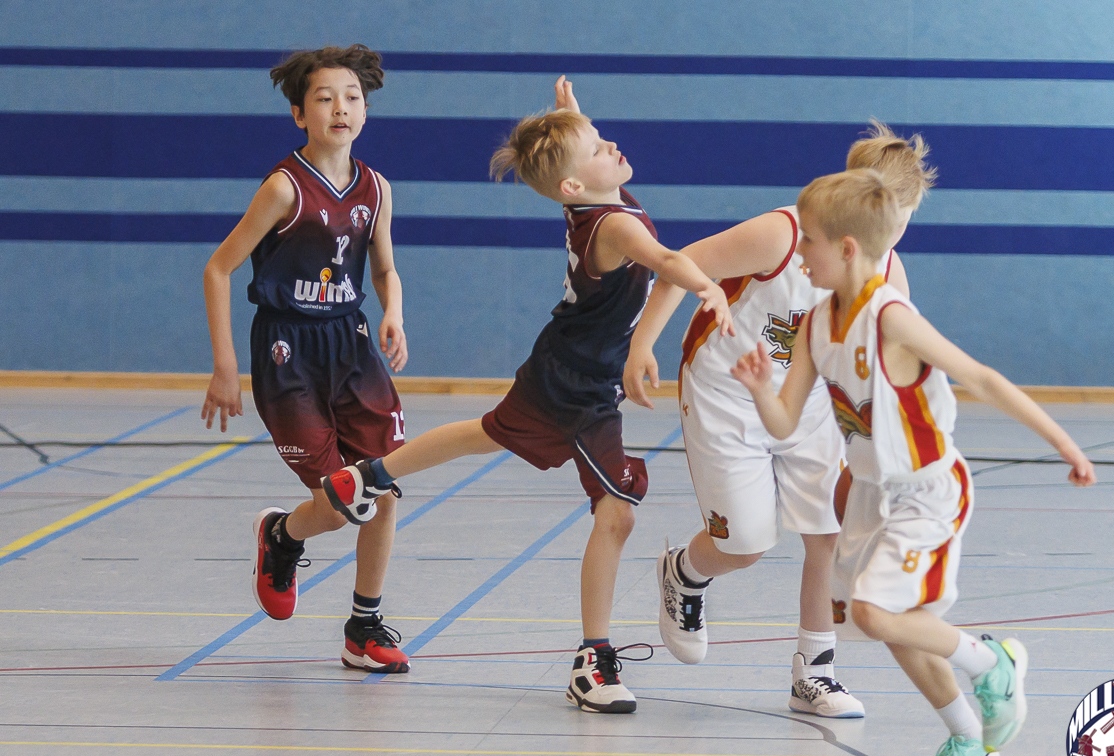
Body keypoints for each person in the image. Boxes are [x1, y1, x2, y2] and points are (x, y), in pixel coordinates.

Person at [320, 77, 736, 713]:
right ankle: (592, 662)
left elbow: (583, 174)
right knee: (618, 511)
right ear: (573, 185)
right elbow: (666, 258)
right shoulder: (614, 226)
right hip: (577, 387)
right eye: (597, 148)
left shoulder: (592, 202)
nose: (611, 146)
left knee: (485, 433)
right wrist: (707, 287)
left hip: (562, 365)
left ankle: (369, 476)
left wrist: (573, 120)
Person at [731, 169, 1096, 756]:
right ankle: (967, 738)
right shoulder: (814, 323)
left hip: (927, 491)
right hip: (870, 494)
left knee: (877, 613)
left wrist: (1064, 443)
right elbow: (785, 421)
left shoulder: (891, 318)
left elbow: (981, 378)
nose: (799, 250)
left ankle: (992, 661)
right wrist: (763, 388)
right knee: (899, 627)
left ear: (847, 247)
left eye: (809, 239)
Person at [622, 123, 933, 718]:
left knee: (828, 534)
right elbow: (683, 265)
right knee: (744, 545)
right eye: (896, 217)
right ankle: (684, 571)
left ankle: (814, 674)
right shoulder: (782, 235)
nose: (898, 233)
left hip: (809, 401)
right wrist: (642, 345)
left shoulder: (888, 273)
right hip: (727, 390)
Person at [200, 45, 412, 674]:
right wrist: (225, 365)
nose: (340, 108)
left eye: (352, 97)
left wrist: (394, 312)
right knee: (344, 504)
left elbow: (384, 268)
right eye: (324, 98)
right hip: (287, 351)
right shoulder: (282, 188)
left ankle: (363, 627)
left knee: (383, 488)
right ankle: (282, 535)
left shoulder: (377, 188)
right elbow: (217, 269)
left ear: (365, 109)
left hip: (352, 344)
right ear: (299, 114)